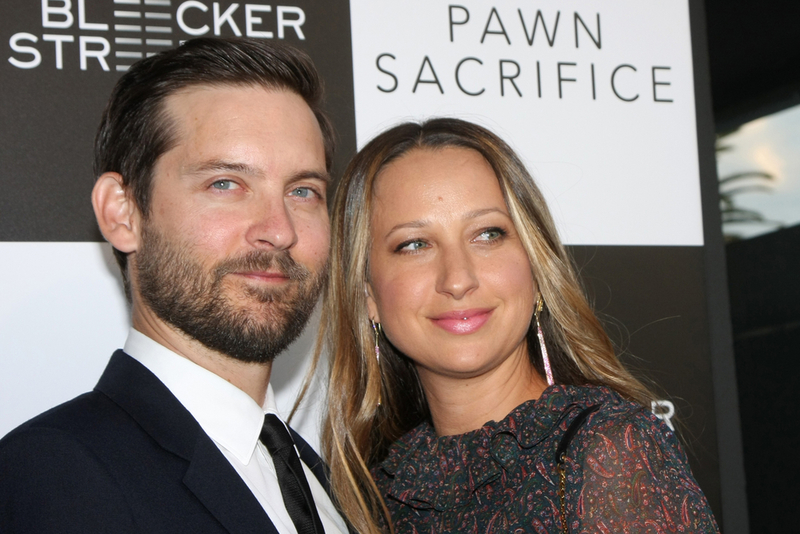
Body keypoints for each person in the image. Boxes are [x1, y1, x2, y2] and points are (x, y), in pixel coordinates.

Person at [0, 37, 347, 534]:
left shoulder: (326, 484)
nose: (280, 229)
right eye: (225, 183)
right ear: (123, 213)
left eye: (303, 191)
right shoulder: (56, 473)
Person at [319, 118, 720, 533]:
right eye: (415, 245)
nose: (458, 279)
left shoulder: (610, 449)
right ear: (368, 295)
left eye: (488, 234)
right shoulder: (368, 495)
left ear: (535, 265)